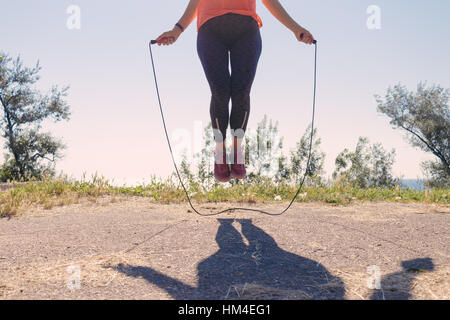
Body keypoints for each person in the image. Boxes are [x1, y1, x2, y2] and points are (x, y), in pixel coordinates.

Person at [155, 0, 315, 182]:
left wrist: (295, 28)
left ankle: (238, 153)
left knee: (241, 93)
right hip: (210, 31)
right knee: (220, 93)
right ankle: (220, 153)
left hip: (246, 31)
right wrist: (177, 30)